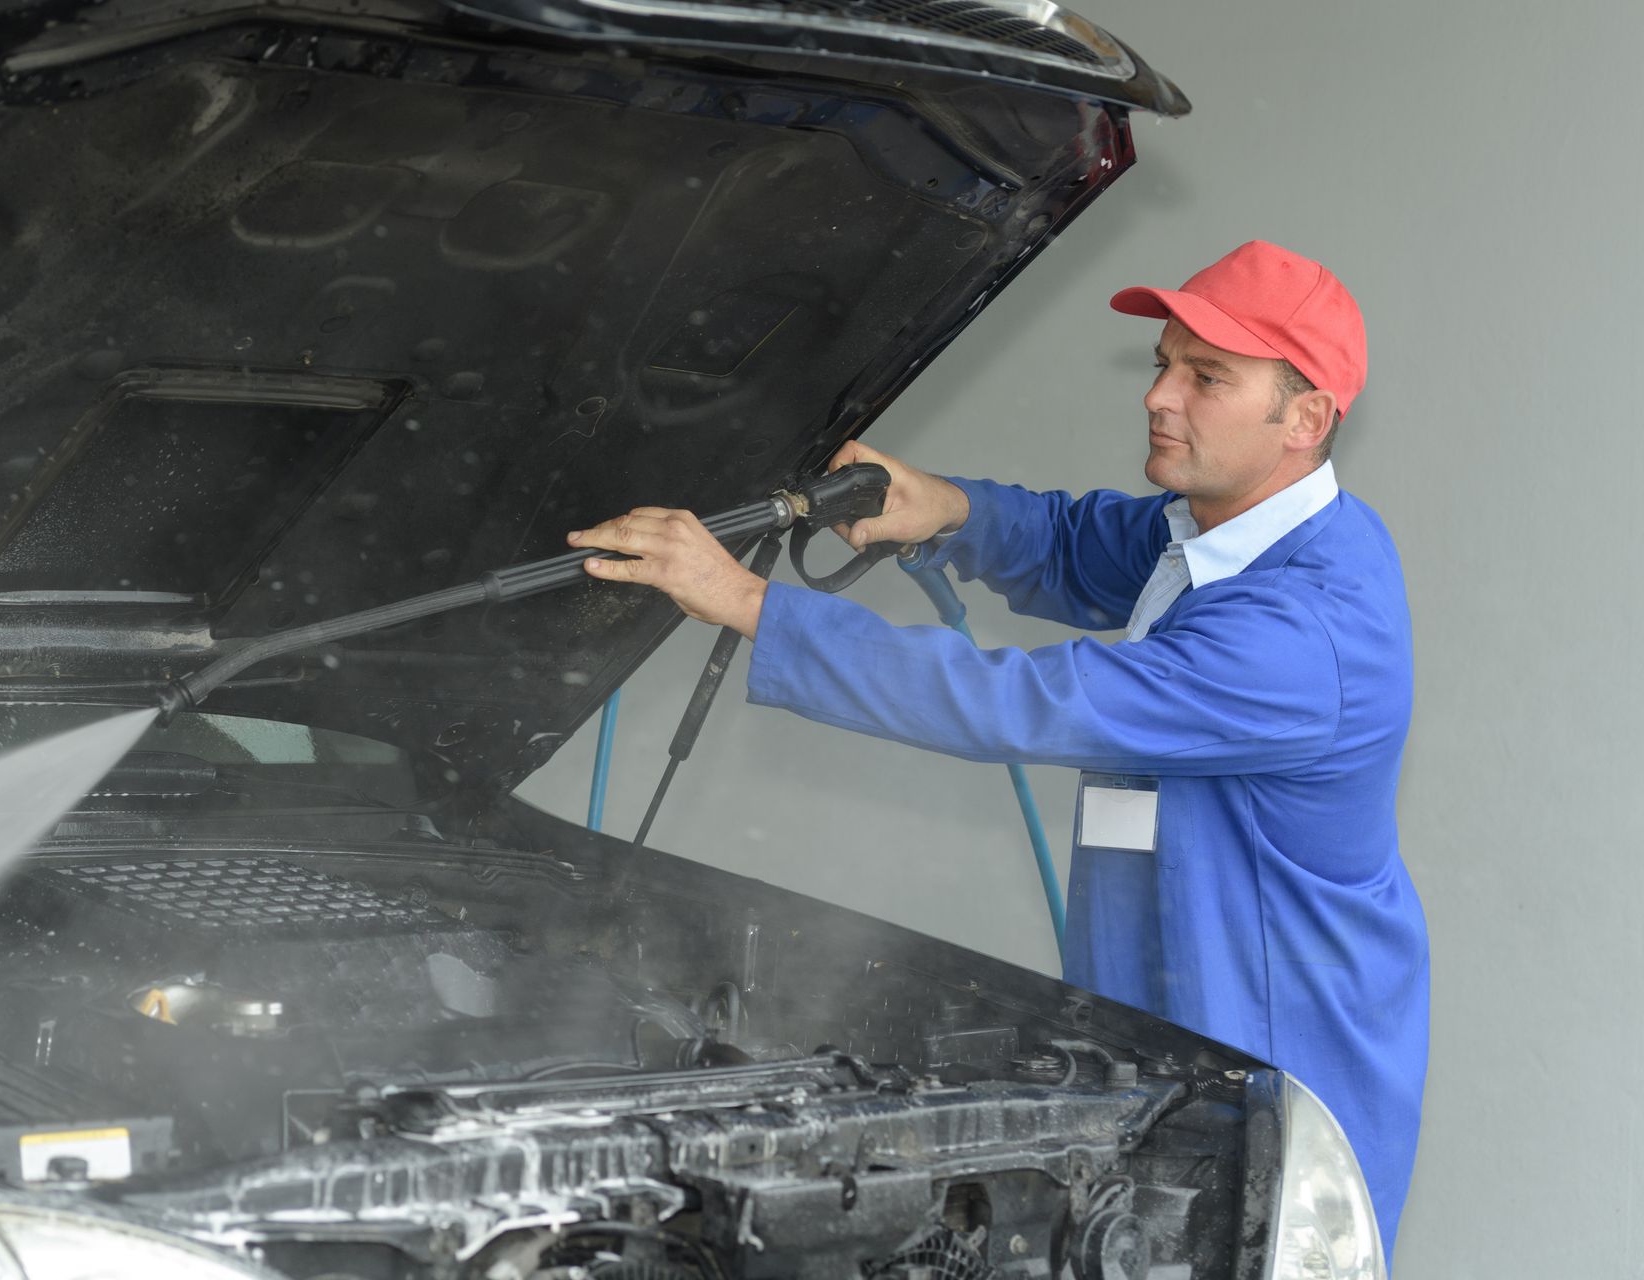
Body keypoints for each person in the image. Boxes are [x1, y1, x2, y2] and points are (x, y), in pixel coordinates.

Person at [566, 240, 1429, 1255]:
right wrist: (950, 506)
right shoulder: (1234, 530)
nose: (1159, 395)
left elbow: (1014, 701)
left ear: (1307, 418)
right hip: (1155, 1021)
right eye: (1163, 362)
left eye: (1207, 377)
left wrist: (754, 604)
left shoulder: (1302, 635)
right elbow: (1084, 542)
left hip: (1271, 1060)